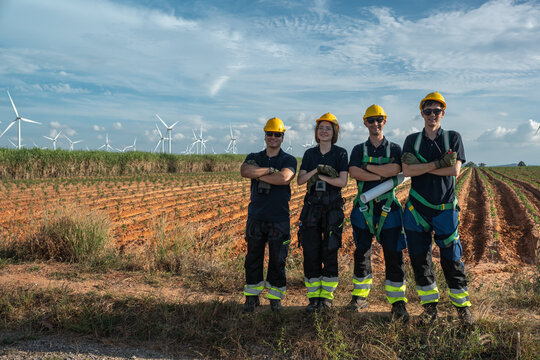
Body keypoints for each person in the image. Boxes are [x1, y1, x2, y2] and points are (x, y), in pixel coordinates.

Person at [401, 92, 473, 325]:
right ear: (421, 113)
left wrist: (421, 167)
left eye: (437, 111)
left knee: (451, 259)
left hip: (444, 209)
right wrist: (438, 164)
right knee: (420, 260)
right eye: (428, 111)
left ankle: (463, 309)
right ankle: (430, 309)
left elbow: (454, 171)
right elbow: (408, 172)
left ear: (443, 113)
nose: (432, 115)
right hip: (416, 209)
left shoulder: (453, 137)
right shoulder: (412, 140)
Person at [348, 104, 409, 321]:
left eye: (379, 119)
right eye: (371, 120)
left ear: (385, 121)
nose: (376, 123)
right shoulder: (357, 150)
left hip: (388, 208)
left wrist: (368, 169)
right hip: (364, 209)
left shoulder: (395, 149)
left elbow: (395, 170)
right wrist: (382, 174)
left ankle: (398, 302)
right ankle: (359, 297)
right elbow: (354, 172)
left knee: (394, 254)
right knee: (362, 252)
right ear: (365, 122)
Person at [240, 117, 297, 313]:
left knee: (277, 260)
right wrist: (270, 170)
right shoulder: (254, 156)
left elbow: (284, 178)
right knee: (253, 258)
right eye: (269, 134)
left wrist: (260, 174)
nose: (273, 137)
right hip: (256, 217)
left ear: (283, 137)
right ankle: (251, 297)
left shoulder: (288, 160)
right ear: (265, 135)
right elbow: (245, 170)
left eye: (277, 134)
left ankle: (275, 299)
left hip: (279, 218)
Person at [297, 113, 348, 313]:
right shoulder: (310, 154)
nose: (324, 131)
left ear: (334, 132)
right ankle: (313, 297)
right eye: (321, 128)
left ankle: (326, 297)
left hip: (332, 208)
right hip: (311, 207)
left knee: (330, 249)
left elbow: (342, 182)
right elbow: (301, 180)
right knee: (310, 251)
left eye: (328, 128)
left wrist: (323, 178)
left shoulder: (341, 153)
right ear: (316, 132)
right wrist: (317, 171)